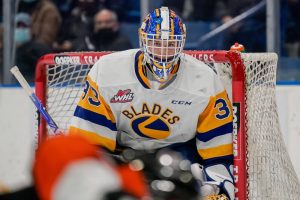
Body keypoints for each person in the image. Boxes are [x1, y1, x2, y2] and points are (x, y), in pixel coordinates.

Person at [69, 6, 234, 199]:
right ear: (143, 41)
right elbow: (90, 144)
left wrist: (218, 187)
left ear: (182, 44)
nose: (163, 52)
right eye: (156, 42)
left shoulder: (204, 80)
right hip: (125, 155)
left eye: (171, 44)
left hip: (180, 158)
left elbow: (219, 154)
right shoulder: (107, 72)